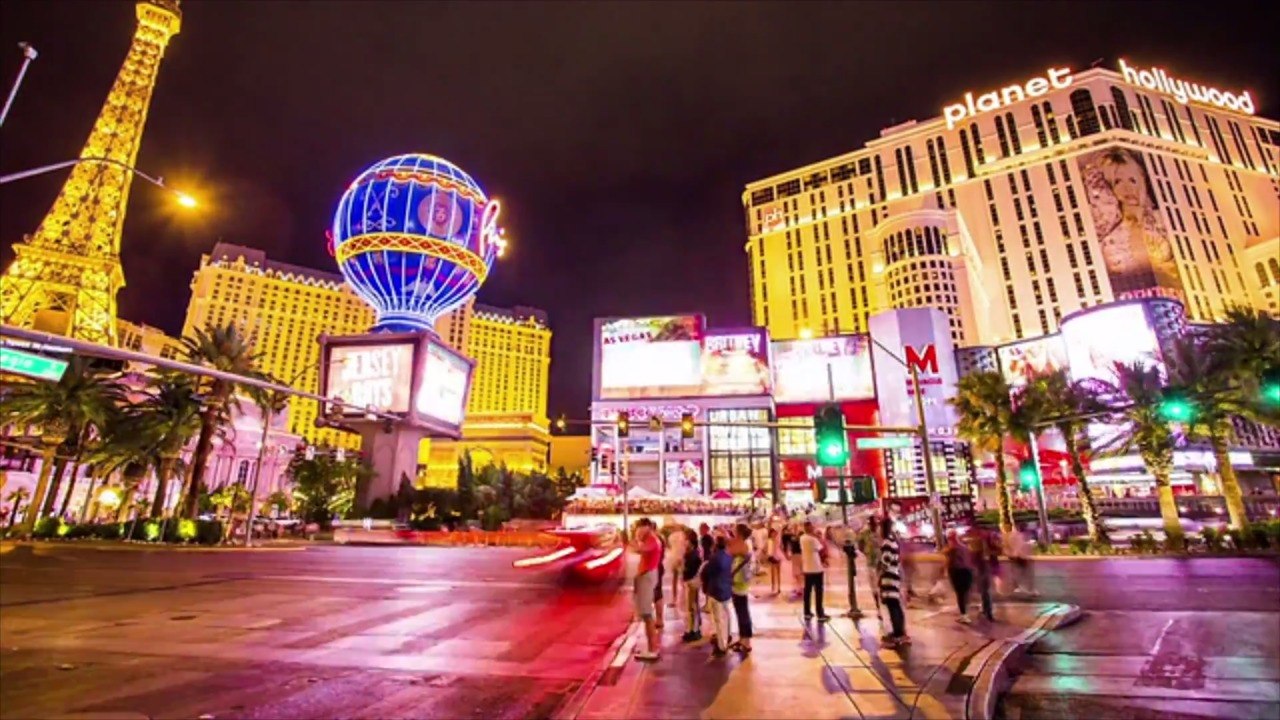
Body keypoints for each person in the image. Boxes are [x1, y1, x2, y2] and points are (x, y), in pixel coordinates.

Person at [631, 518, 663, 661]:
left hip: (647, 576)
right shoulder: (650, 539)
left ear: (647, 527)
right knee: (645, 614)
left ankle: (652, 649)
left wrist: (636, 539)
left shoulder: (652, 540)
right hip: (646, 576)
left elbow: (639, 549)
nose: (638, 530)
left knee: (647, 614)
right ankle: (652, 647)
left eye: (640, 527)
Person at [702, 535, 734, 656]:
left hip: (716, 591)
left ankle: (721, 646)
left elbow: (707, 573)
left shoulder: (714, 558)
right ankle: (728, 636)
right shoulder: (728, 557)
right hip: (726, 589)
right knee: (727, 615)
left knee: (718, 620)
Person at [879, 519, 910, 646]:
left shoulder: (887, 542)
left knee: (893, 605)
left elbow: (885, 560)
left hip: (889, 576)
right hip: (894, 575)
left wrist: (880, 571)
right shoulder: (894, 541)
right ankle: (899, 631)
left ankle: (898, 634)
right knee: (895, 604)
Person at [728, 523, 755, 653]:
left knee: (742, 612)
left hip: (739, 582)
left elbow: (730, 551)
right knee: (741, 612)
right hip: (740, 582)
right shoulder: (745, 543)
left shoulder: (743, 545)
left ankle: (746, 641)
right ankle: (743, 639)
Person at [800, 521, 830, 622]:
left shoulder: (802, 538)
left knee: (807, 591)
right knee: (818, 592)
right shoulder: (813, 539)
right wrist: (817, 536)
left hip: (807, 568)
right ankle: (820, 613)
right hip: (816, 568)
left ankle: (807, 612)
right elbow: (821, 548)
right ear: (810, 528)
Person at [944, 530, 975, 624]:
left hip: (957, 572)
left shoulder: (952, 549)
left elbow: (950, 562)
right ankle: (966, 614)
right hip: (968, 571)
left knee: (960, 594)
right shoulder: (965, 547)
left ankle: (964, 615)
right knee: (966, 594)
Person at [680, 527, 703, 642]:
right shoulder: (694, 553)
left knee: (691, 607)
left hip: (691, 582)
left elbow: (687, 569)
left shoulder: (692, 555)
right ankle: (694, 628)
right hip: (691, 581)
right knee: (693, 606)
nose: (684, 542)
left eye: (686, 539)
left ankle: (692, 630)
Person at [968, 531, 995, 622]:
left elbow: (972, 564)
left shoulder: (976, 554)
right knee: (985, 592)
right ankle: (988, 611)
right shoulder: (985, 552)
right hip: (984, 572)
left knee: (984, 592)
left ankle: (987, 611)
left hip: (981, 572)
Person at [1004, 527, 1038, 596]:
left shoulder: (1011, 534)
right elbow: (1019, 545)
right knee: (1027, 573)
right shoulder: (1017, 535)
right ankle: (1030, 589)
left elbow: (1007, 545)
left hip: (1016, 556)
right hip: (1019, 556)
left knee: (1017, 572)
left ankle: (1016, 586)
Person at [764, 527, 783, 595]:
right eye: (772, 533)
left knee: (778, 573)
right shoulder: (769, 540)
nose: (774, 534)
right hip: (772, 557)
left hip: (778, 556)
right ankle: (773, 586)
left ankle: (779, 587)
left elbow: (781, 548)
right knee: (772, 572)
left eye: (775, 533)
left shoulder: (777, 540)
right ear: (770, 533)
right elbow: (765, 548)